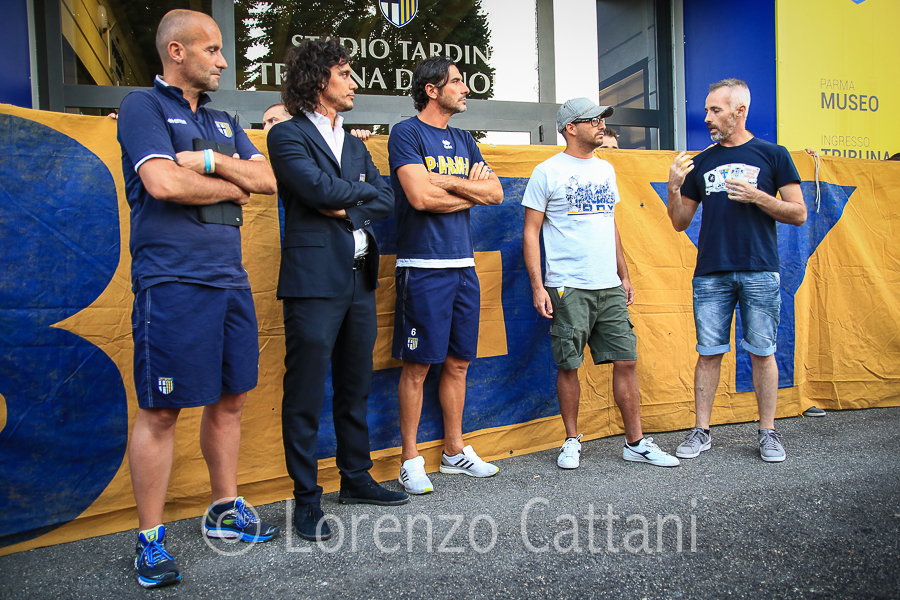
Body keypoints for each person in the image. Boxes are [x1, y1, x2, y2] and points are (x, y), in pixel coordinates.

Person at [116, 9, 279, 589]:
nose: (223, 61)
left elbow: (267, 182)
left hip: (229, 279)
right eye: (212, 49)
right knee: (162, 411)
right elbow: (162, 182)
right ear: (177, 52)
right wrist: (230, 183)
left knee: (231, 400)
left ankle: (224, 512)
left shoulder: (223, 120)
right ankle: (149, 540)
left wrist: (209, 162)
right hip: (171, 281)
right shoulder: (142, 106)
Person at [266, 39, 408, 542]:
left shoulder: (354, 143)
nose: (354, 83)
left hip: (359, 279)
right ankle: (306, 500)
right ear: (318, 78)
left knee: (355, 385)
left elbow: (386, 199)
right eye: (345, 73)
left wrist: (346, 201)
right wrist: (354, 195)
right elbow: (316, 190)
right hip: (312, 282)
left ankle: (355, 477)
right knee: (305, 393)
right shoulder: (287, 134)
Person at [522, 98, 680, 470]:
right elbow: (530, 232)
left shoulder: (606, 170)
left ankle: (635, 442)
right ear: (570, 128)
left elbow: (610, 225)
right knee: (569, 364)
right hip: (568, 286)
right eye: (592, 120)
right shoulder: (547, 172)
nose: (600, 125)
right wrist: (538, 286)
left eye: (600, 120)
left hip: (608, 284)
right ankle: (571, 440)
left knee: (626, 360)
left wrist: (623, 274)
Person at [666, 78, 807, 463]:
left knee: (763, 352)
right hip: (711, 272)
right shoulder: (702, 161)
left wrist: (759, 196)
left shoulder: (774, 155)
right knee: (708, 352)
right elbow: (679, 222)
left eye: (715, 110)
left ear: (739, 111)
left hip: (760, 269)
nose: (707, 117)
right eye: (707, 110)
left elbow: (798, 213)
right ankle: (701, 430)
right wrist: (674, 188)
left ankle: (768, 432)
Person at [388, 56, 504, 495]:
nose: (465, 88)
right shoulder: (406, 133)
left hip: (463, 266)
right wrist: (468, 190)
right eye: (456, 82)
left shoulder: (464, 139)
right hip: (422, 266)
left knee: (459, 362)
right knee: (418, 366)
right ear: (432, 90)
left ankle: (454, 452)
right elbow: (420, 198)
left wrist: (447, 182)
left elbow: (495, 193)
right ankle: (409, 459)